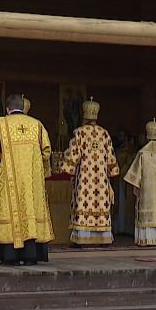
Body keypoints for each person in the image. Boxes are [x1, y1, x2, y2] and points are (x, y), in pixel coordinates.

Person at [0, 94, 54, 266]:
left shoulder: (0, 124)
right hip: (32, 180)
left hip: (9, 178)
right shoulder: (37, 125)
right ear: (23, 108)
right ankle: (31, 256)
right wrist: (42, 170)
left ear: (7, 109)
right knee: (31, 208)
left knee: (9, 210)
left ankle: (10, 257)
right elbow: (47, 151)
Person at [60, 97, 120, 246]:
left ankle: (82, 238)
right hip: (101, 178)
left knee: (84, 202)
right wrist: (111, 172)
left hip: (85, 178)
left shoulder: (79, 133)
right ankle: (103, 238)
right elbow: (111, 158)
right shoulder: (104, 133)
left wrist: (64, 163)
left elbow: (73, 156)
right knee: (100, 203)